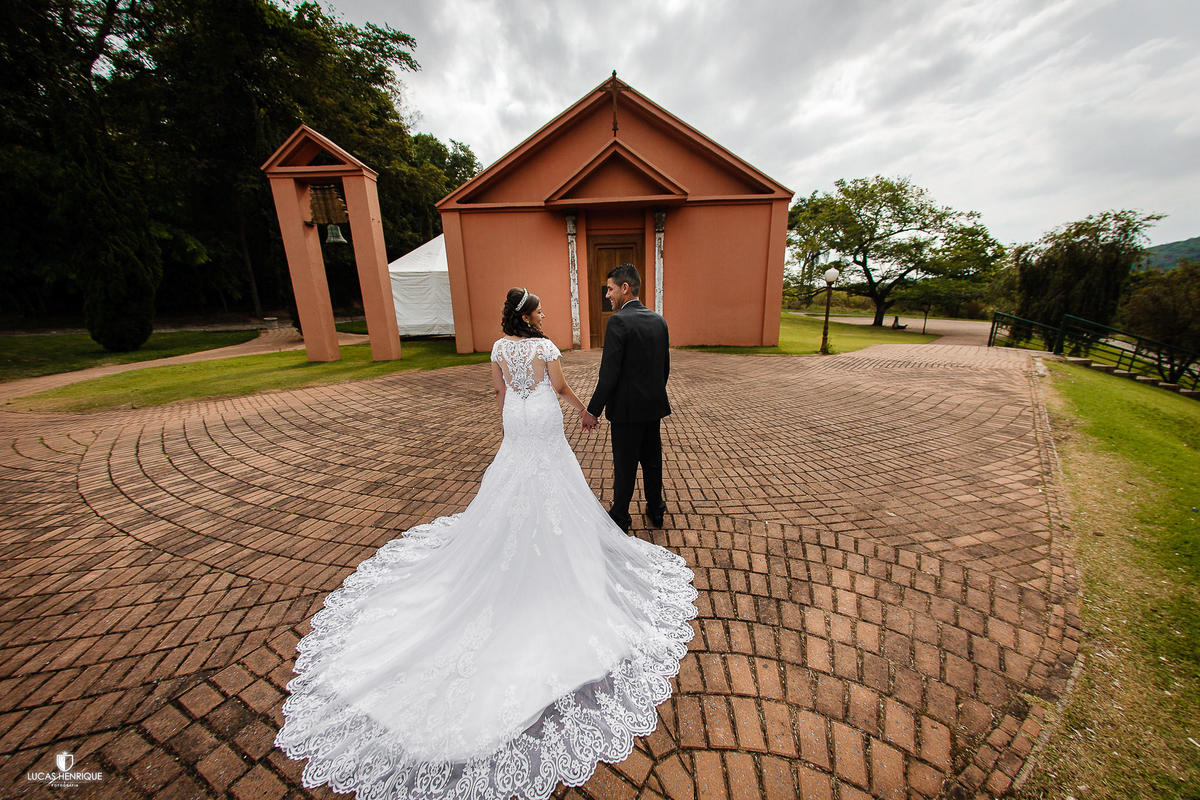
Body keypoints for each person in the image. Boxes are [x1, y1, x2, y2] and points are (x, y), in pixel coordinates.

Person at [275, 287, 697, 800]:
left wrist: (512, 421)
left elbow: (499, 396)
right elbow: (560, 389)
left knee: (514, 477)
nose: (542, 315)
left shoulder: (498, 349)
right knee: (552, 478)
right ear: (527, 314)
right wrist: (583, 410)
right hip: (541, 418)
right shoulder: (545, 349)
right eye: (538, 309)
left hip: (517, 422)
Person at [581, 264, 671, 534]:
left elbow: (609, 373)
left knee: (625, 465)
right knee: (652, 461)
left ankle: (620, 515)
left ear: (625, 288)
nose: (607, 295)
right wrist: (652, 396)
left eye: (609, 289)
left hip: (627, 411)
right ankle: (656, 510)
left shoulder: (618, 322)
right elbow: (664, 368)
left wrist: (592, 410)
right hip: (652, 408)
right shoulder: (659, 320)